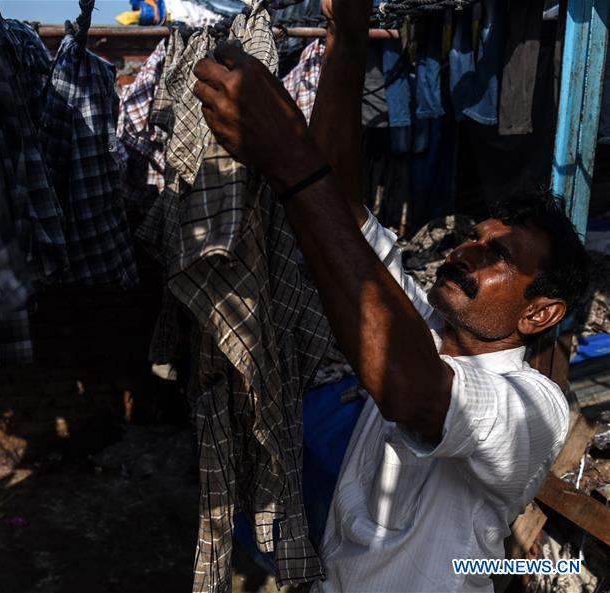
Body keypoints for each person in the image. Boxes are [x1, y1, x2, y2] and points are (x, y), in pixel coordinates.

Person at [191, 1, 591, 591]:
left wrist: (288, 160)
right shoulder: (426, 327)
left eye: (497, 255)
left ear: (540, 312)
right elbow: (341, 208)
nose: (464, 250)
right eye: (473, 238)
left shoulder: (536, 406)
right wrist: (348, 37)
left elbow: (410, 388)